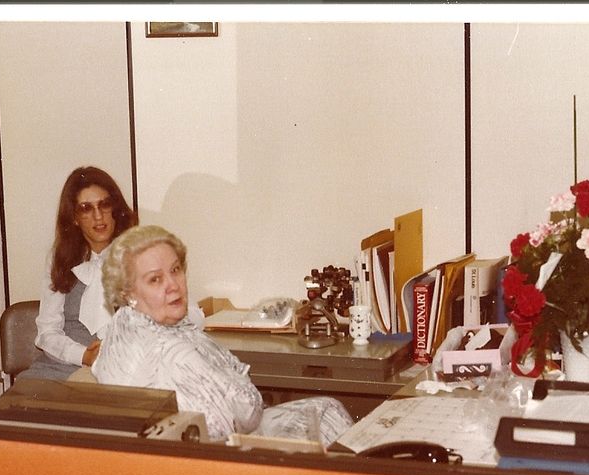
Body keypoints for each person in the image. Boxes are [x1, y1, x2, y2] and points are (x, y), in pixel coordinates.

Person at [92, 225, 353, 445]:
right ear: (128, 294)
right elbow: (239, 419)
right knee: (333, 421)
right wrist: (238, 381)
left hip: (206, 451)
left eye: (175, 270)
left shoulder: (126, 326)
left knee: (327, 409)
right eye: (155, 280)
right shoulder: (171, 352)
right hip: (224, 463)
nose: (173, 285)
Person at [19, 166, 138, 380]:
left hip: (123, 368)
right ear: (74, 217)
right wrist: (84, 355)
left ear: (115, 208)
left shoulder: (141, 252)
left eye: (105, 204)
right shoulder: (60, 257)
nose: (98, 216)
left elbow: (181, 313)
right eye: (86, 208)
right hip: (65, 366)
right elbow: (47, 332)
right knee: (19, 403)